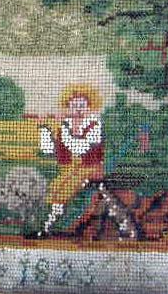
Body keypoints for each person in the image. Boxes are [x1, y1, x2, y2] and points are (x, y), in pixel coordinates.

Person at [38, 84, 105, 237]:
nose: (78, 110)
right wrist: (44, 129)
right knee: (54, 190)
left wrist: (65, 131)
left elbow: (81, 148)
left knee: (65, 191)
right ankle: (49, 224)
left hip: (90, 169)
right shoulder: (65, 125)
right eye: (74, 106)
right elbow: (49, 150)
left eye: (82, 106)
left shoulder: (94, 126)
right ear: (68, 107)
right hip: (69, 169)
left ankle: (57, 224)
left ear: (90, 107)